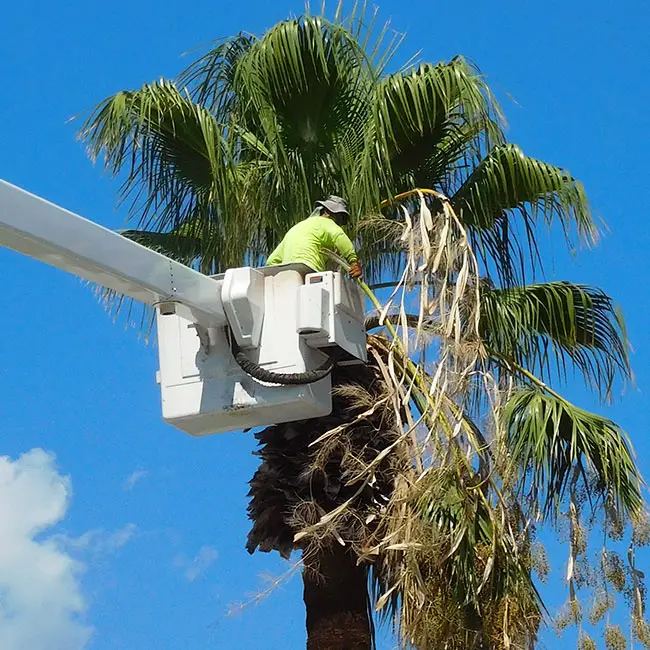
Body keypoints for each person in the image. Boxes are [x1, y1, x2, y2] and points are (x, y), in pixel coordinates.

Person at [266, 195, 363, 280]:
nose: (340, 223)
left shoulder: (297, 227)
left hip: (287, 273)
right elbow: (340, 238)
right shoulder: (328, 223)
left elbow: (271, 260)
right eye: (340, 217)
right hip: (309, 268)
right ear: (329, 212)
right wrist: (353, 261)